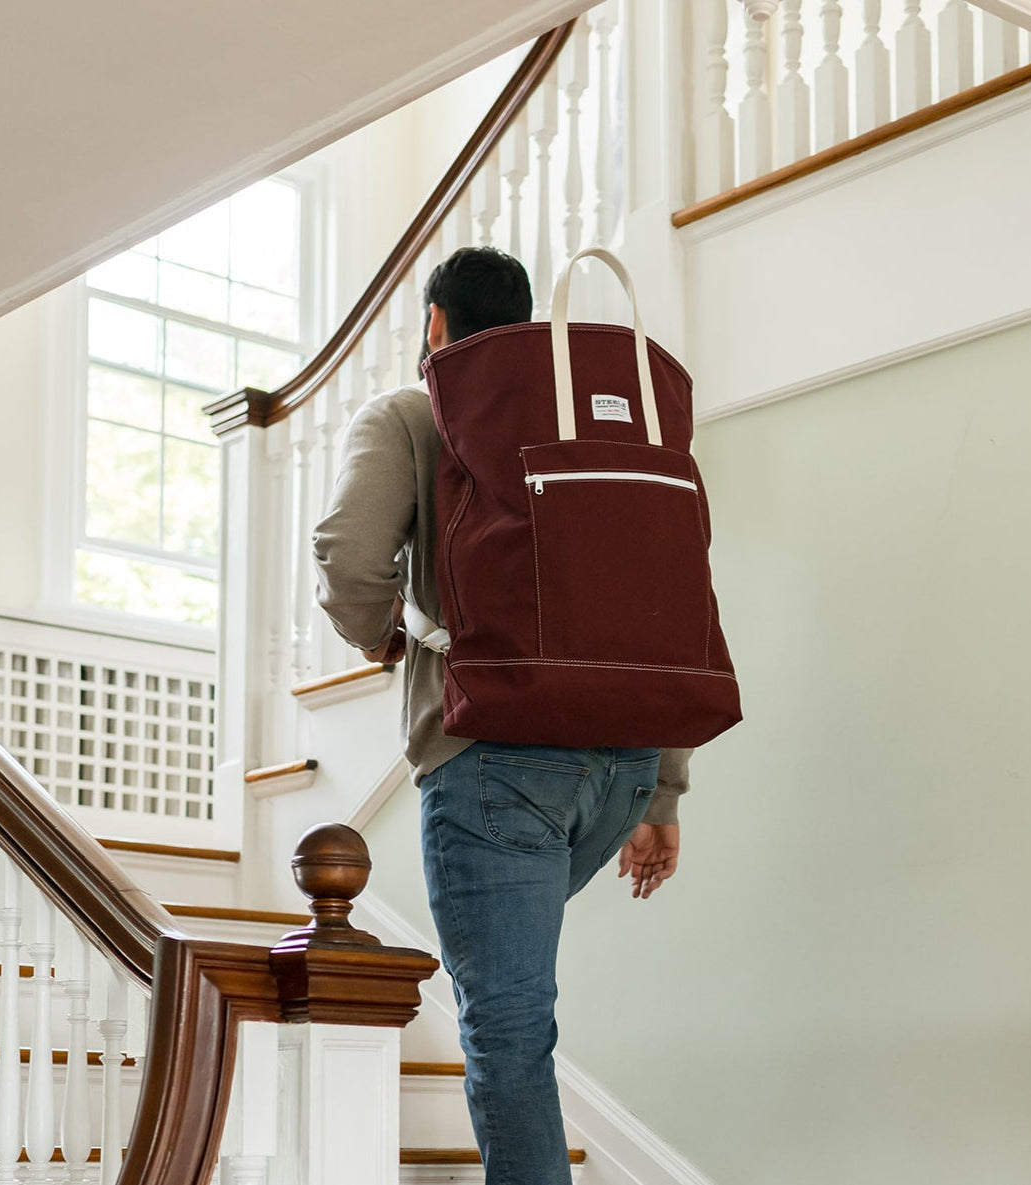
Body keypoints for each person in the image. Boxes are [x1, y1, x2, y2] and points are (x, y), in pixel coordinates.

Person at [312, 246, 689, 1185]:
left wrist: (378, 636)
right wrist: (665, 791)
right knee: (517, 1002)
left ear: (435, 326)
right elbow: (664, 601)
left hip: (496, 764)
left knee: (508, 1027)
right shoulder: (607, 431)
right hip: (623, 764)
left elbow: (349, 556)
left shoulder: (413, 413)